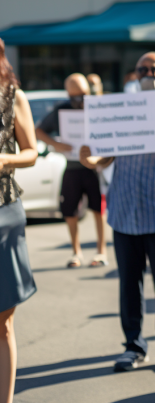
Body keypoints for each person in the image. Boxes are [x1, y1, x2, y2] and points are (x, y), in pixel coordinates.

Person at [79, 52, 155, 373]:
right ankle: (133, 346)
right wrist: (90, 159)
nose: (148, 74)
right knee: (129, 285)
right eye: (142, 69)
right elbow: (105, 158)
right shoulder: (121, 109)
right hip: (124, 209)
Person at [36, 74, 108, 268]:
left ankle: (101, 251)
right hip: (72, 167)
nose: (79, 100)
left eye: (82, 95)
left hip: (94, 168)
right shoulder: (62, 110)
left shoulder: (97, 107)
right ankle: (76, 252)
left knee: (98, 209)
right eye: (74, 96)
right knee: (69, 210)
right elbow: (38, 130)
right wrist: (56, 144)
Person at [0, 39, 38, 403]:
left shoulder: (13, 96)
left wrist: (3, 161)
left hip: (3, 212)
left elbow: (30, 152)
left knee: (2, 320)